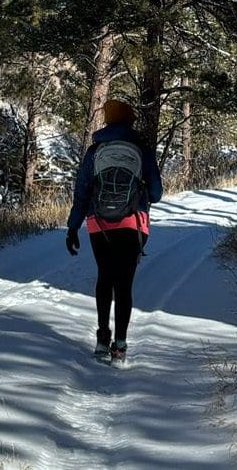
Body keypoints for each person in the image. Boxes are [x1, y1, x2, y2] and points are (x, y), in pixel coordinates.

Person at [65, 98, 162, 364]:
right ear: (129, 120)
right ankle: (119, 345)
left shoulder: (95, 150)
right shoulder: (140, 148)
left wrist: (73, 227)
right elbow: (157, 193)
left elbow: (82, 192)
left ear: (107, 121)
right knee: (124, 283)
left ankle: (101, 340)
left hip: (98, 223)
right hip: (131, 222)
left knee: (104, 278)